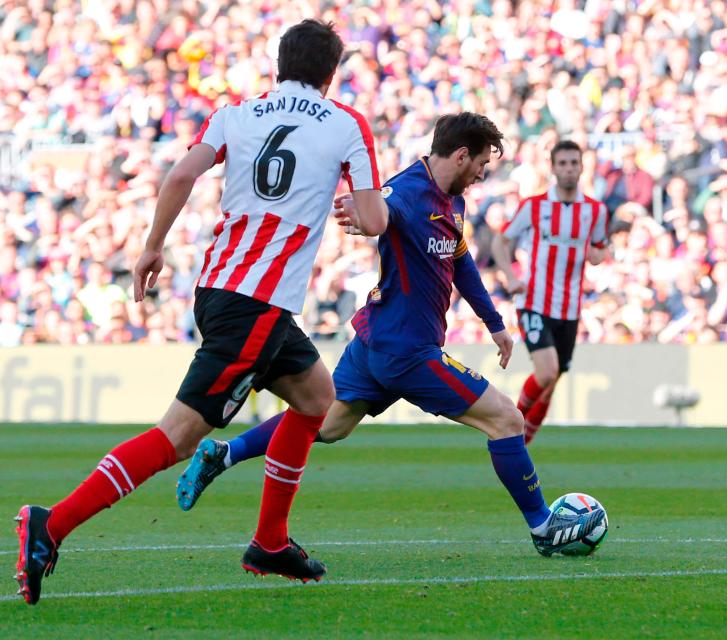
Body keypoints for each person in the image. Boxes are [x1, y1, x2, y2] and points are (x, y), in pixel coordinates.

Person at [14, 19, 388, 605]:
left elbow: (183, 172)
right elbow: (374, 221)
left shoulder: (234, 114)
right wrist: (354, 208)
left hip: (220, 289)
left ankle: (270, 541)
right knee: (178, 437)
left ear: (279, 65)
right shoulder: (347, 125)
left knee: (318, 398)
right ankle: (51, 524)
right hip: (258, 305)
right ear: (331, 73)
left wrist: (152, 245)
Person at [176, 114, 605, 557]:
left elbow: (460, 261)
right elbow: (377, 211)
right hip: (408, 353)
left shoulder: (452, 199)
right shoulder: (404, 193)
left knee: (327, 424)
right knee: (507, 420)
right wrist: (362, 216)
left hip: (375, 342)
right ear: (461, 156)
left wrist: (493, 323)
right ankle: (541, 526)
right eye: (480, 163)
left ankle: (223, 454)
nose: (481, 174)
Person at [490, 140, 608, 443]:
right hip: (534, 302)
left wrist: (599, 254)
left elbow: (597, 250)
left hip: (569, 309)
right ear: (553, 168)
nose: (569, 169)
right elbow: (500, 242)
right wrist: (509, 276)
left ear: (581, 167)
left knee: (551, 380)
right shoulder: (534, 206)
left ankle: (521, 445)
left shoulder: (595, 211)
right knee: (546, 372)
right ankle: (509, 427)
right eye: (563, 163)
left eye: (574, 163)